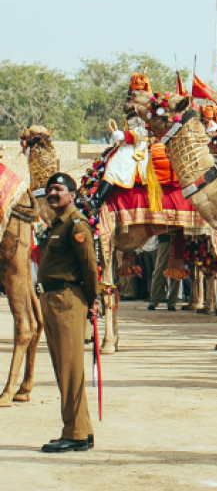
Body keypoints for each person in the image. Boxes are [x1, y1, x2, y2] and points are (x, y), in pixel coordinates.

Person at [38, 172, 97, 453]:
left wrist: (93, 299)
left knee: (70, 368)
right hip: (51, 297)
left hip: (67, 298)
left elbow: (89, 267)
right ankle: (81, 430)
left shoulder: (76, 225)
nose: (52, 194)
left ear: (72, 195)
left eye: (58, 190)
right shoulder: (56, 225)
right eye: (49, 190)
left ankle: (73, 433)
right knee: (65, 368)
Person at [91, 73, 152, 211]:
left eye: (137, 92)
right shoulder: (132, 108)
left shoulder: (147, 109)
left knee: (116, 164)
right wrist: (118, 135)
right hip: (128, 143)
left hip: (140, 145)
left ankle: (97, 202)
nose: (133, 94)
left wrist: (125, 135)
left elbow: (146, 130)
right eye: (133, 91)